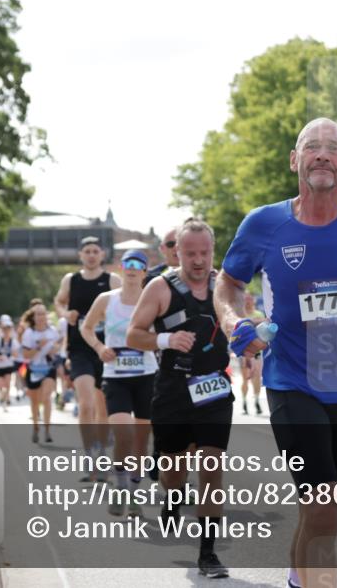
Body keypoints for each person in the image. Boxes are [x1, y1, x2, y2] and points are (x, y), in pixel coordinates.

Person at [216, 118, 337, 588]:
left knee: (320, 508)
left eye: (333, 147)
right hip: (292, 382)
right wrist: (234, 321)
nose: (322, 154)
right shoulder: (264, 224)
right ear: (295, 160)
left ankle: (296, 579)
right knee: (324, 507)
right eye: (312, 146)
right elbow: (228, 284)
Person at [128, 219, 232, 578]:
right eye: (190, 253)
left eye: (205, 253)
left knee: (212, 467)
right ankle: (172, 498)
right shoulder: (160, 287)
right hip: (173, 390)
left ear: (213, 251)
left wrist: (251, 340)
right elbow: (133, 334)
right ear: (177, 252)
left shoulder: (226, 285)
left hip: (215, 388)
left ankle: (208, 553)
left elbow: (239, 323)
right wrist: (166, 340)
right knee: (173, 473)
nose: (198, 260)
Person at [82, 249, 157, 518]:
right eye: (128, 263)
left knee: (141, 440)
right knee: (124, 434)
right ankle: (121, 484)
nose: (133, 268)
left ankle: (134, 491)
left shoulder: (153, 299)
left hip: (147, 374)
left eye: (139, 264)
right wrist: (100, 347)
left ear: (145, 272)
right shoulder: (107, 299)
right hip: (116, 376)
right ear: (120, 268)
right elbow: (86, 327)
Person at [55, 237, 121, 476]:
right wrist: (66, 314)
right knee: (86, 403)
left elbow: (126, 306)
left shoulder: (112, 280)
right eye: (87, 251)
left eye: (95, 251)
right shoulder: (70, 280)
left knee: (102, 407)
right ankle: (89, 456)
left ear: (102, 254)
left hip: (105, 349)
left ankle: (101, 454)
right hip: (79, 348)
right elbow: (59, 302)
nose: (91, 255)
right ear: (80, 255)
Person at [20, 303, 59, 444]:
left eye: (43, 314)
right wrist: (38, 346)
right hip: (33, 369)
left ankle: (47, 431)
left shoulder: (53, 331)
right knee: (35, 401)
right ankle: (36, 427)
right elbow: (25, 354)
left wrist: (54, 350)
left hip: (49, 368)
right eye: (38, 314)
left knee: (46, 397)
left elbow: (58, 347)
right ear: (34, 317)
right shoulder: (29, 333)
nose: (41, 317)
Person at [238, 294, 264, 415]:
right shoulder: (240, 314)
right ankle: (244, 402)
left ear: (253, 301)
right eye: (245, 299)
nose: (248, 302)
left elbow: (263, 331)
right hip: (243, 351)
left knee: (257, 376)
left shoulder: (259, 314)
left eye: (250, 299)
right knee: (245, 378)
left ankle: (257, 401)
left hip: (256, 351)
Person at [0, 315, 20, 411]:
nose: (7, 330)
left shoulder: (13, 339)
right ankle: (1, 395)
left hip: (8, 365)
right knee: (0, 384)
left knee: (7, 384)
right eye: (5, 328)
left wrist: (9, 356)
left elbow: (16, 353)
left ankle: (5, 402)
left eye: (8, 328)